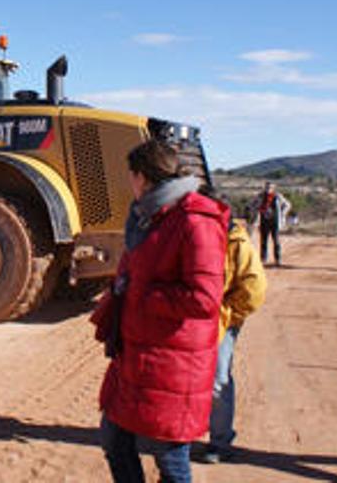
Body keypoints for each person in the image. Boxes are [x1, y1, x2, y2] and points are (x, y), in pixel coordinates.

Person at [90, 140, 229, 483]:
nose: (130, 184)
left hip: (173, 360)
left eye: (131, 177)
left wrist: (143, 294)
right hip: (139, 353)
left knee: (170, 457)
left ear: (143, 177)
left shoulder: (195, 220)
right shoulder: (149, 216)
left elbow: (204, 298)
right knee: (114, 437)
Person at [197, 192, 267, 464]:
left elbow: (254, 288)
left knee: (218, 378)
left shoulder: (235, 240)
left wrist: (226, 315)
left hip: (221, 319)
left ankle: (220, 442)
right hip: (193, 319)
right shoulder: (191, 234)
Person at [248, 182, 291, 266]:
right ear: (264, 187)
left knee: (276, 241)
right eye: (267, 187)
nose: (268, 189)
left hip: (274, 222)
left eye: (270, 187)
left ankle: (277, 260)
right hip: (263, 221)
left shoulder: (277, 196)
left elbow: (288, 205)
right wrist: (255, 210)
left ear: (273, 188)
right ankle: (263, 259)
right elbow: (251, 204)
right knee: (263, 241)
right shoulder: (260, 196)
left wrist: (283, 213)